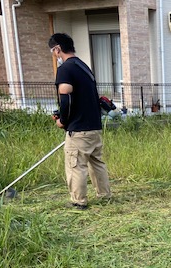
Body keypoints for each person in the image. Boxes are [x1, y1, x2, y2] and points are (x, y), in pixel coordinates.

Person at [48, 33, 111, 210]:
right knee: (97, 163)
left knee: (76, 165)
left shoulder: (65, 69)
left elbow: (66, 99)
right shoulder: (84, 67)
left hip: (79, 129)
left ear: (58, 49)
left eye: (53, 51)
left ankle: (79, 201)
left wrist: (62, 120)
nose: (54, 55)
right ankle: (104, 195)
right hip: (94, 126)